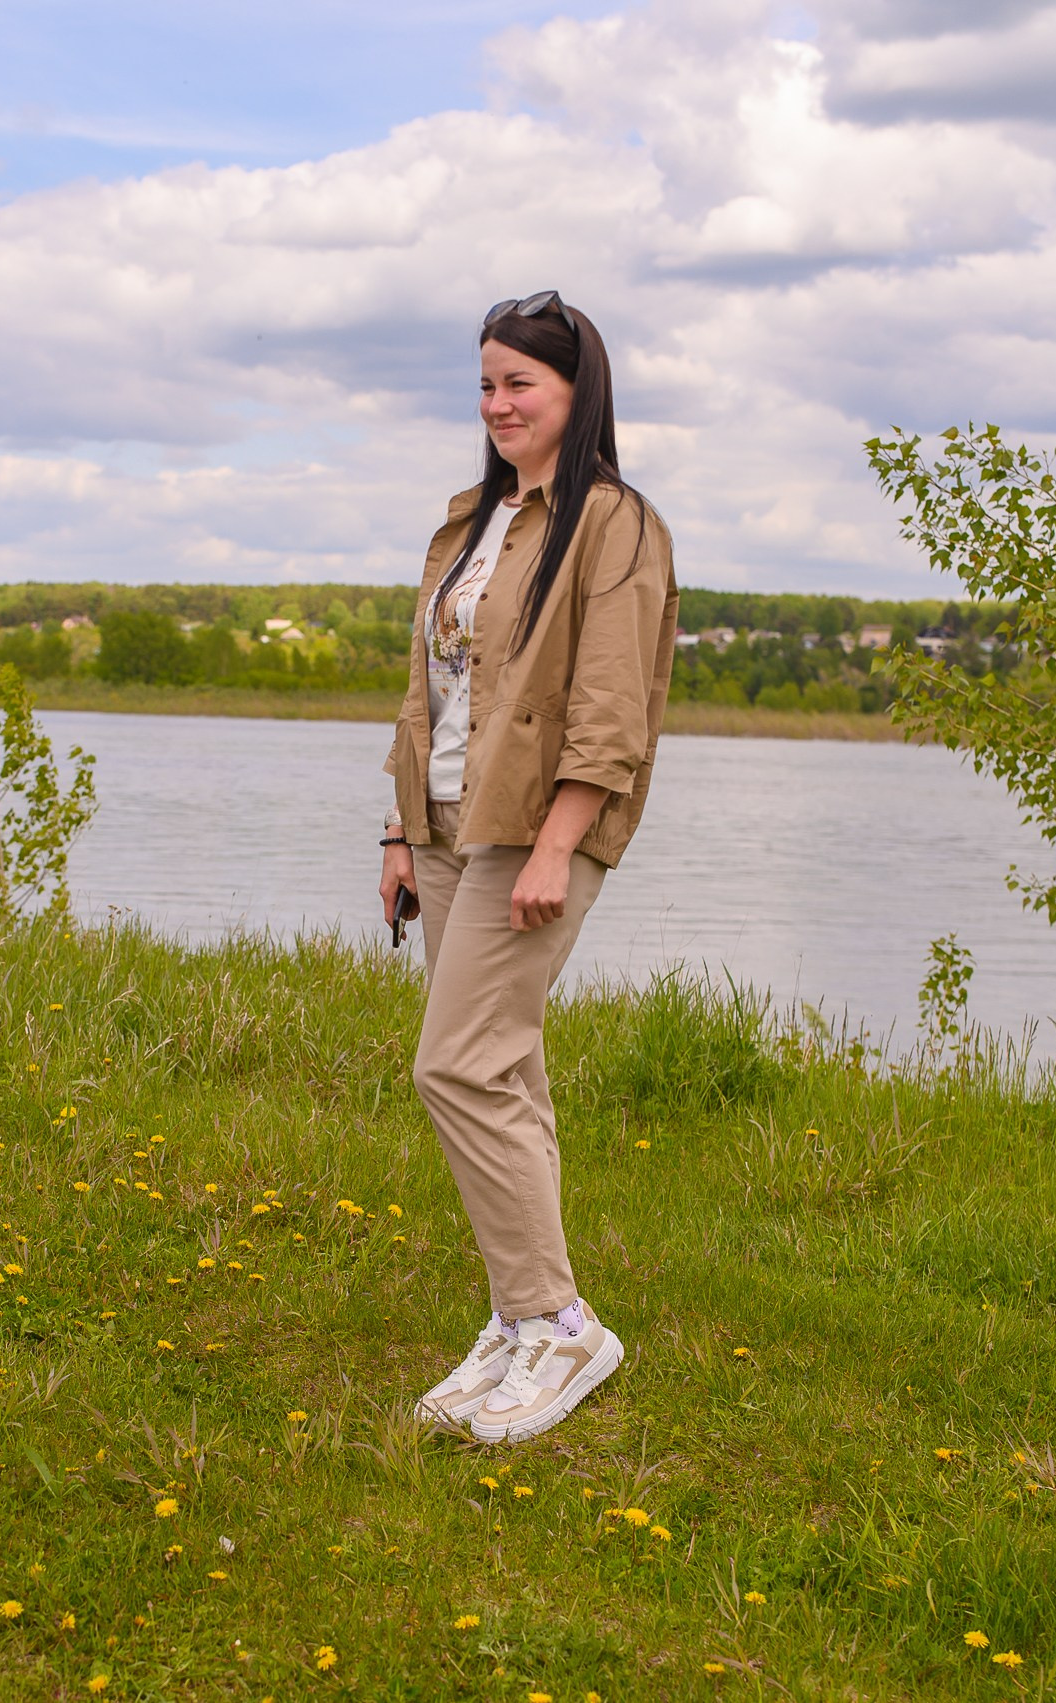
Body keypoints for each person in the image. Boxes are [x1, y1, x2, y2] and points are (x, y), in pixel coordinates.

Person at [380, 290, 677, 1445]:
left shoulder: (612, 523)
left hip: (530, 828)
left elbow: (612, 705)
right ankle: (517, 1321)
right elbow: (430, 691)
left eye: (521, 383)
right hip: (446, 825)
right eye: (486, 383)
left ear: (574, 390)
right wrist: (399, 831)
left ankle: (557, 1321)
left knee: (454, 1065)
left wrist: (558, 842)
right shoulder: (470, 522)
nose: (498, 403)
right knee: (504, 1066)